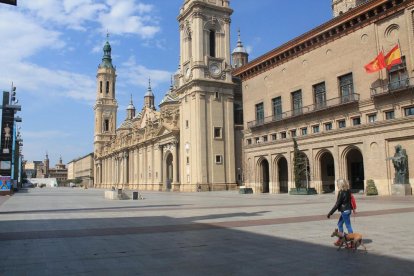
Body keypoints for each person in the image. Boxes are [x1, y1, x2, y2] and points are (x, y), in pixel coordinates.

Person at [327, 179, 355, 246]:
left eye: (337, 184)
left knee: (348, 226)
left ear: (340, 184)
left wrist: (330, 213)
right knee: (339, 224)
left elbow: (337, 204)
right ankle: (340, 240)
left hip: (345, 211)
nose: (337, 185)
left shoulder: (341, 192)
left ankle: (352, 242)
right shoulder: (348, 191)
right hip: (348, 210)